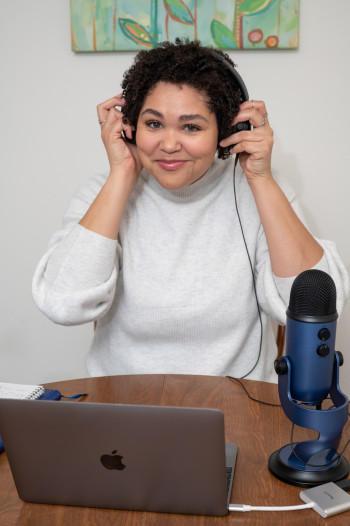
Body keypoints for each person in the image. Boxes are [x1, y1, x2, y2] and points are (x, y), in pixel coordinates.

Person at [32, 40, 348, 382]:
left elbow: (316, 304)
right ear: (131, 126)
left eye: (191, 127)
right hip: (125, 410)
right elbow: (62, 304)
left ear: (226, 131)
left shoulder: (258, 190)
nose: (169, 144)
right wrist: (122, 174)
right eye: (153, 124)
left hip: (239, 411)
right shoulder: (102, 193)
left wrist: (260, 178)